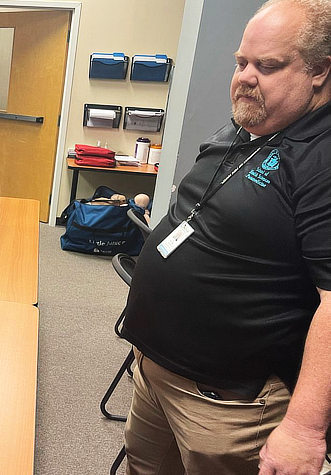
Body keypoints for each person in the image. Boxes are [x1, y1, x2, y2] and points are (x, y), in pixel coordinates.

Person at [120, 1, 331, 473]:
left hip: (228, 405)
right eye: (241, 62)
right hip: (157, 371)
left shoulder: (322, 157)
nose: (245, 77)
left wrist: (303, 428)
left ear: (319, 71)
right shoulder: (251, 123)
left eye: (267, 66)